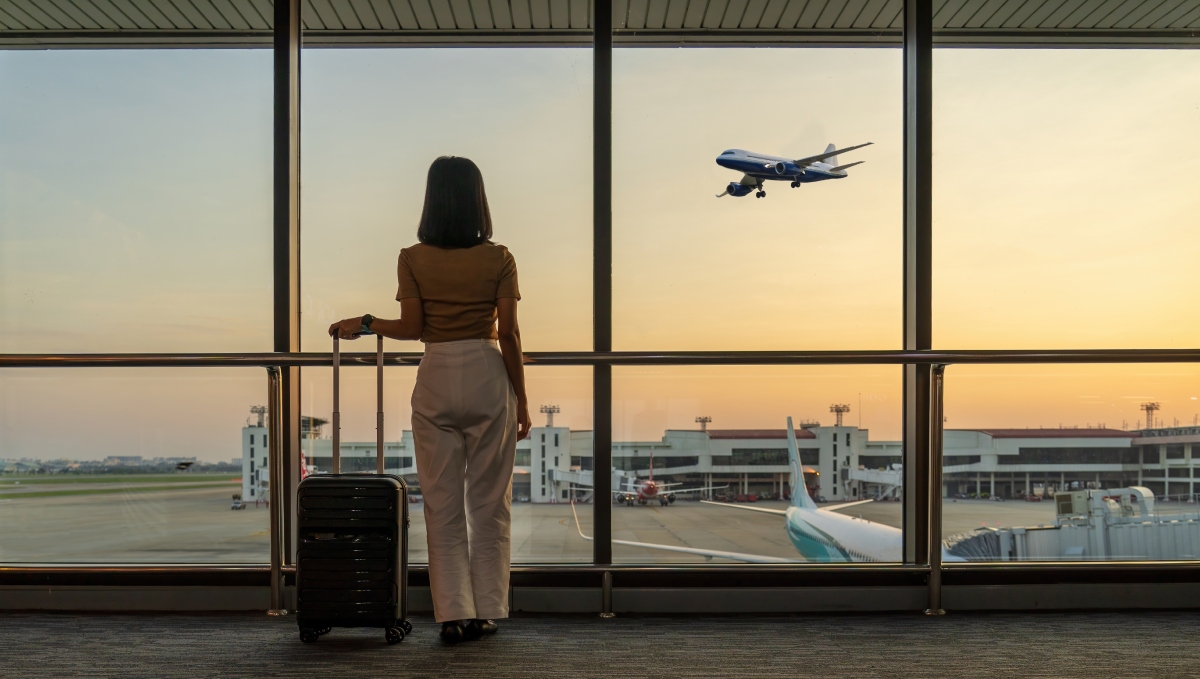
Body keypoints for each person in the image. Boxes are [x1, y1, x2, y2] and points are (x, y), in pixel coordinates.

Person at [329, 156, 532, 645]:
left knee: (441, 505)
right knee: (489, 503)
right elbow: (509, 334)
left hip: (437, 371)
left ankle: (452, 616)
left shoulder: (412, 257)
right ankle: (488, 611)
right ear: (479, 199)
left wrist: (365, 323)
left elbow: (412, 329)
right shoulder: (500, 257)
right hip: (487, 373)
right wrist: (521, 399)